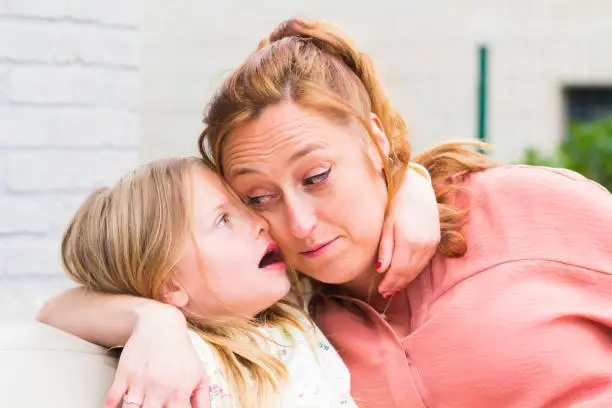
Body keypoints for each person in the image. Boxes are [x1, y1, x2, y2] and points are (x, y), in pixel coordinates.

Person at [40, 18, 612, 408]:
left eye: (317, 177)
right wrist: (152, 320)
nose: (299, 224)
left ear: (373, 139)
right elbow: (59, 306)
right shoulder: (288, 309)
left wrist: (410, 177)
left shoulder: (527, 209)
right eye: (257, 199)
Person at [59, 156, 362, 407]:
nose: (260, 222)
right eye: (223, 220)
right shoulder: (180, 362)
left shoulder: (287, 313)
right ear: (171, 285)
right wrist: (156, 322)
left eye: (248, 206)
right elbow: (54, 312)